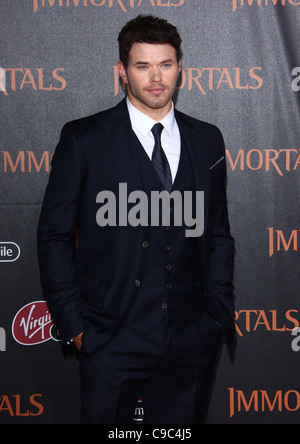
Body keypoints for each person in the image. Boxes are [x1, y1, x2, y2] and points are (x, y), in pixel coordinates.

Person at [37, 14, 235, 424]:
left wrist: (215, 315)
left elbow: (217, 233)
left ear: (180, 69)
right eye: (142, 65)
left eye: (165, 64)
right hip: (110, 336)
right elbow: (54, 236)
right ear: (122, 72)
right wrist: (76, 326)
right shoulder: (84, 139)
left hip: (190, 337)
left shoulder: (207, 139)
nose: (156, 77)